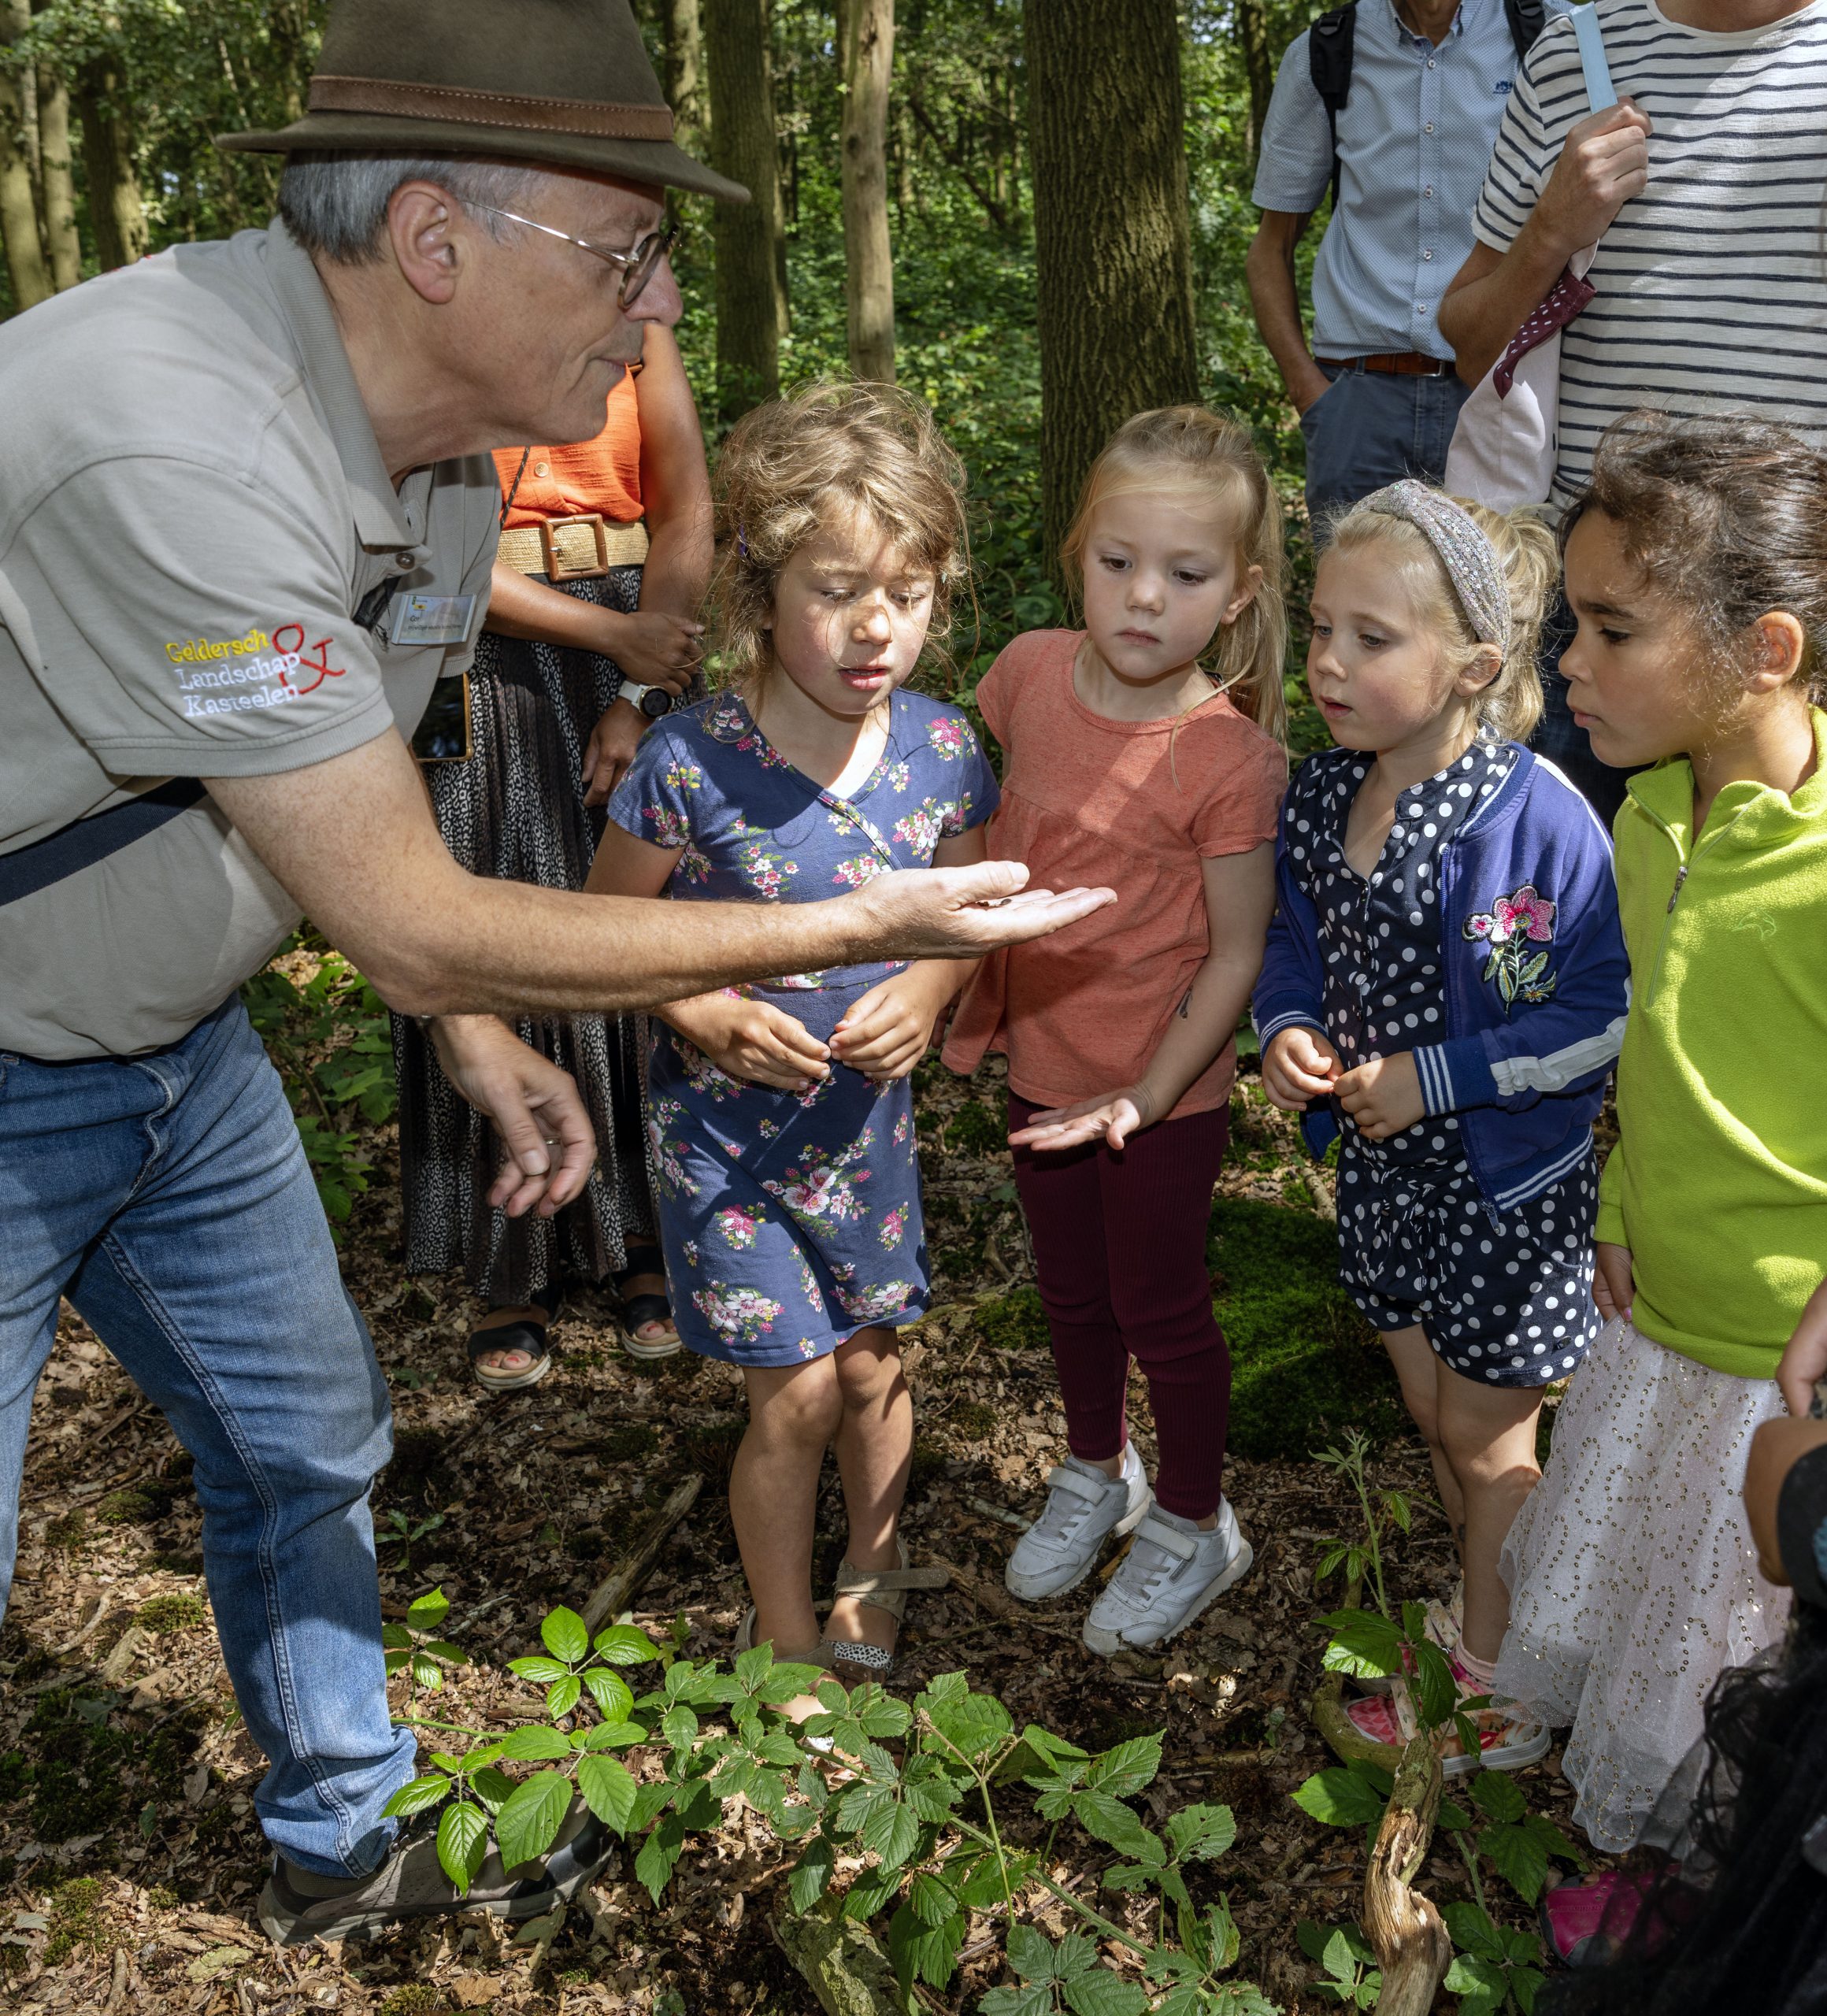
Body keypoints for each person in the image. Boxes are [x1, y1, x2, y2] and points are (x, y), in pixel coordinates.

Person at [0, 0, 1110, 1947]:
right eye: (629, 254)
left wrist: (480, 1022)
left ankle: (342, 1838)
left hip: (172, 1042)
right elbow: (414, 906)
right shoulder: (170, 448)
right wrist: (866, 921)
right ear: (437, 242)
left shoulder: (437, 462)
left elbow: (358, 842)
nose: (654, 307)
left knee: (306, 1439)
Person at [1541, 80, 1827, 2010]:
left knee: (1727, 1671)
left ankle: (1709, 1890)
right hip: (1661, 1325)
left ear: (1763, 651)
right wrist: (1625, 1204)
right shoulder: (1644, 817)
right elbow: (1657, 1055)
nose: (1562, 671)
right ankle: (1632, 1859)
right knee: (1631, 1613)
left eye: (1602, 631)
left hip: (1791, 1385)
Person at [587, 383, 999, 1714]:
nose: (877, 627)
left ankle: (871, 1569)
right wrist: (696, 1007)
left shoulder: (944, 752)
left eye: (911, 592)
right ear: (762, 593)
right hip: (720, 1143)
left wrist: (933, 995)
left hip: (864, 1141)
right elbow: (599, 930)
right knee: (799, 1394)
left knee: (878, 1366)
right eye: (838, 591)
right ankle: (783, 1638)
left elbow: (972, 911)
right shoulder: (690, 761)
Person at [1251, 479, 1627, 1770]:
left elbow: (1596, 1019)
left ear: (1473, 665)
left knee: (1488, 1435)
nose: (1330, 664)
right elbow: (1293, 943)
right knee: (1436, 1413)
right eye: (1321, 629)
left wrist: (1441, 1076)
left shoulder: (1541, 823)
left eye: (1372, 639)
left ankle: (1503, 1674)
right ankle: (1500, 1591)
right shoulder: (1317, 798)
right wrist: (1287, 1029)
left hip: (1506, 1200)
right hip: (1384, 1183)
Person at [1438, 0, 1827, 823]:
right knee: (1579, 931)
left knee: (1802, 933)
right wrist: (1548, 231)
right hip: (1596, 619)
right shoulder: (1575, 52)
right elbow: (1467, 342)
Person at [943, 407, 1289, 1654]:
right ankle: (1100, 1470)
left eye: (1187, 576)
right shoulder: (1029, 672)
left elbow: (1237, 949)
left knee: (1160, 1307)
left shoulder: (1228, 757)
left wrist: (1147, 1094)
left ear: (1239, 594)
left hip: (1163, 1097)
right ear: (1077, 551)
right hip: (1045, 1065)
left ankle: (1196, 1521)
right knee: (1072, 1296)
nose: (1145, 599)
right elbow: (980, 829)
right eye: (1118, 563)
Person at [397, 320, 713, 1390]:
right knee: (489, 932)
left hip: (637, 641)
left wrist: (640, 691)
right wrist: (615, 646)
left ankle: (640, 1240)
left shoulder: (644, 333)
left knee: (630, 938)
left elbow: (689, 510)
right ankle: (513, 1260)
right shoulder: (440, 328)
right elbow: (430, 554)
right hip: (481, 651)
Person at [1247, 0, 1550, 532]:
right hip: (1357, 405)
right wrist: (1311, 395)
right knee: (1356, 611)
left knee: (1503, 609)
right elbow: (1270, 248)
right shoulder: (1325, 52)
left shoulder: (1551, 36)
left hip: (1502, 393)